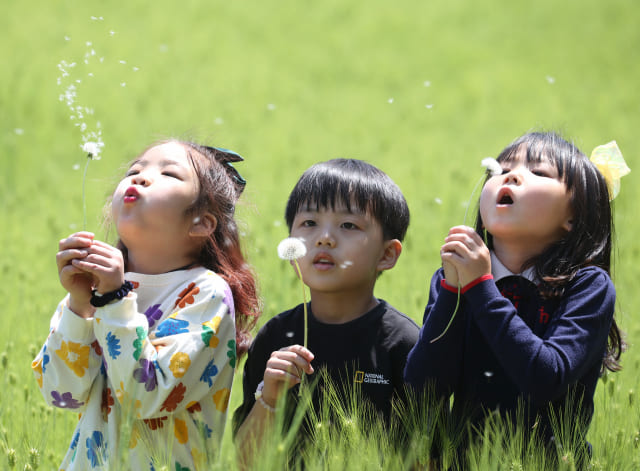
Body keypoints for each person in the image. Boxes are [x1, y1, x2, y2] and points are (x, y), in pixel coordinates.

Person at [31, 140, 261, 470]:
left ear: (202, 223)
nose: (139, 178)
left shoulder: (206, 294)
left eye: (169, 174)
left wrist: (113, 299)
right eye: (134, 170)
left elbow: (146, 396)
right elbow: (61, 393)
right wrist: (80, 305)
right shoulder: (100, 286)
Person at [404, 131, 627, 468]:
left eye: (539, 172)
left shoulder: (586, 286)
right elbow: (422, 390)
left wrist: (480, 285)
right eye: (500, 169)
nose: (510, 174)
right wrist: (453, 293)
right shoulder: (454, 280)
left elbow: (545, 378)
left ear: (573, 216)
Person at [232, 158, 419, 466]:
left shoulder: (403, 344)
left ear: (386, 254)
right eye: (309, 223)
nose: (325, 237)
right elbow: (244, 461)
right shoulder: (276, 338)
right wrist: (269, 399)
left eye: (348, 225)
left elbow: (423, 458)